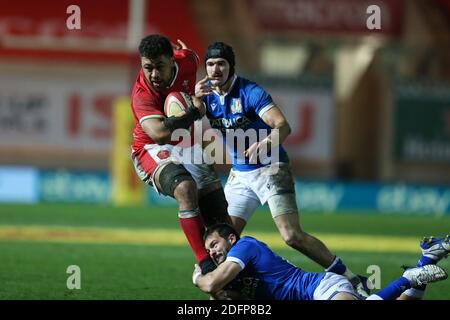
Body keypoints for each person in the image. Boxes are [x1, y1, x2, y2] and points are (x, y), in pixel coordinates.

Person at [195, 41, 366, 293]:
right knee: (220, 238)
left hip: (272, 168)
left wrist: (265, 143)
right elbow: (192, 120)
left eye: (221, 63)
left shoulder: (250, 92)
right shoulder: (207, 96)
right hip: (241, 175)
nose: (215, 69)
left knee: (291, 236)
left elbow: (283, 126)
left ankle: (352, 279)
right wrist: (196, 101)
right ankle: (231, 291)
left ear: (231, 66)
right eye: (210, 64)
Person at [130, 34, 231, 274]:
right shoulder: (141, 93)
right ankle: (205, 265)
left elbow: (191, 55)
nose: (153, 74)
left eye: (159, 66)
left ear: (172, 60)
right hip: (151, 149)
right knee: (185, 188)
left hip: (187, 145)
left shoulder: (188, 61)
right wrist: (195, 112)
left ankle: (231, 270)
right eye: (147, 67)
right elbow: (159, 134)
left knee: (220, 217)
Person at [192, 223, 449, 300]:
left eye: (214, 244)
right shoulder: (233, 273)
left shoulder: (246, 246)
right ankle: (428, 255)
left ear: (231, 238)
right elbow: (224, 297)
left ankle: (408, 278)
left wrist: (199, 277)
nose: (212, 252)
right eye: (208, 249)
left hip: (320, 289)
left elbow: (210, 283)